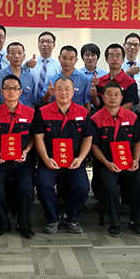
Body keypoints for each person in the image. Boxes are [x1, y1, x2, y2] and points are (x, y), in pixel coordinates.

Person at [33, 76, 94, 234]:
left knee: (82, 187)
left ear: (73, 92)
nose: (63, 92)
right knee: (43, 185)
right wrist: (46, 159)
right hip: (50, 160)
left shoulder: (82, 112)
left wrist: (80, 159)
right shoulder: (43, 112)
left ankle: (70, 217)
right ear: (53, 91)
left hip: (74, 160)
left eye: (67, 89)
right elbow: (38, 137)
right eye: (59, 89)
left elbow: (88, 138)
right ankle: (52, 218)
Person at [91, 82, 140, 237]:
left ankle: (136, 221)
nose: (113, 97)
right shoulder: (95, 118)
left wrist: (136, 159)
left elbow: (137, 141)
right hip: (106, 162)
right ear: (103, 97)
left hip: (128, 162)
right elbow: (94, 146)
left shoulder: (132, 117)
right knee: (110, 187)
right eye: (109, 94)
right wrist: (106, 163)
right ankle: (115, 222)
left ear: (121, 98)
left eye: (116, 94)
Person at [0, 74, 36, 239]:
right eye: (7, 88)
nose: (11, 91)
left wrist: (26, 151)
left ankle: (22, 223)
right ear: (1, 91)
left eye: (14, 88)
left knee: (27, 190)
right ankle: (3, 223)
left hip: (22, 162)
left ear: (20, 91)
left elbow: (34, 138)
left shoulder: (30, 113)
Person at [42, 45, 92, 112]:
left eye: (71, 59)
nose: (67, 62)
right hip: (55, 115)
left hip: (76, 116)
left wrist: (86, 118)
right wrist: (47, 94)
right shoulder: (52, 79)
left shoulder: (85, 80)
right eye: (64, 58)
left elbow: (87, 104)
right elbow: (44, 102)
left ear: (76, 60)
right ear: (59, 58)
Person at [0, 42, 36, 108]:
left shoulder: (29, 77)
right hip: (5, 112)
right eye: (13, 53)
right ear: (7, 57)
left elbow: (33, 101)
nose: (16, 56)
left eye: (19, 53)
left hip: (25, 113)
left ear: (24, 56)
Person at [93, 44, 138, 111]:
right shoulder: (99, 81)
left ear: (123, 60)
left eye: (118, 56)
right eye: (111, 56)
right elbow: (98, 104)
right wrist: (94, 96)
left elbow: (129, 105)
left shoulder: (130, 82)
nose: (115, 59)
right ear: (106, 60)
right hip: (102, 116)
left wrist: (114, 115)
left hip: (122, 116)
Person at [26, 31, 62, 102]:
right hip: (31, 104)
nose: (45, 44)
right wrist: (26, 65)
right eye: (42, 41)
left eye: (48, 42)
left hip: (50, 104)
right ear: (38, 44)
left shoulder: (59, 65)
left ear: (54, 45)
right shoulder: (30, 63)